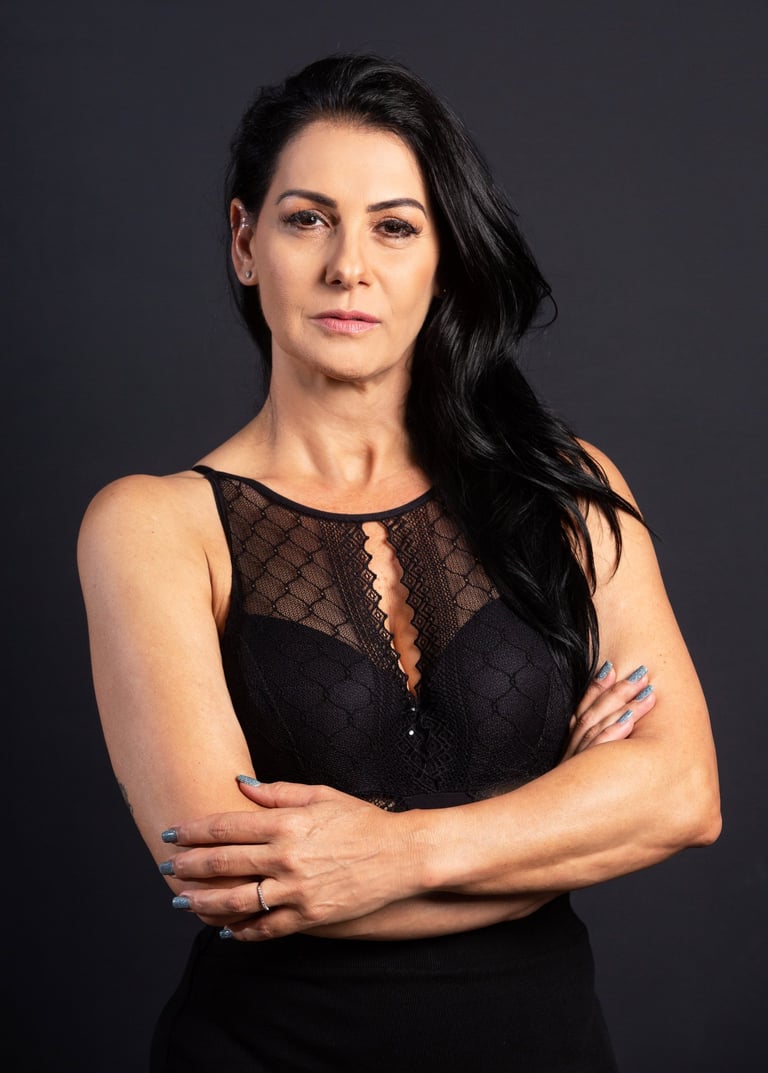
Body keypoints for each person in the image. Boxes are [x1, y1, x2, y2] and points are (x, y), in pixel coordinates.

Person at [77, 54, 720, 1072]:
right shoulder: (153, 525)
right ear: (245, 242)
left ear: (444, 258)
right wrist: (568, 805)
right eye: (307, 219)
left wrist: (391, 853)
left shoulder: (566, 487)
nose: (349, 266)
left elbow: (683, 792)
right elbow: (240, 884)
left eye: (395, 226)